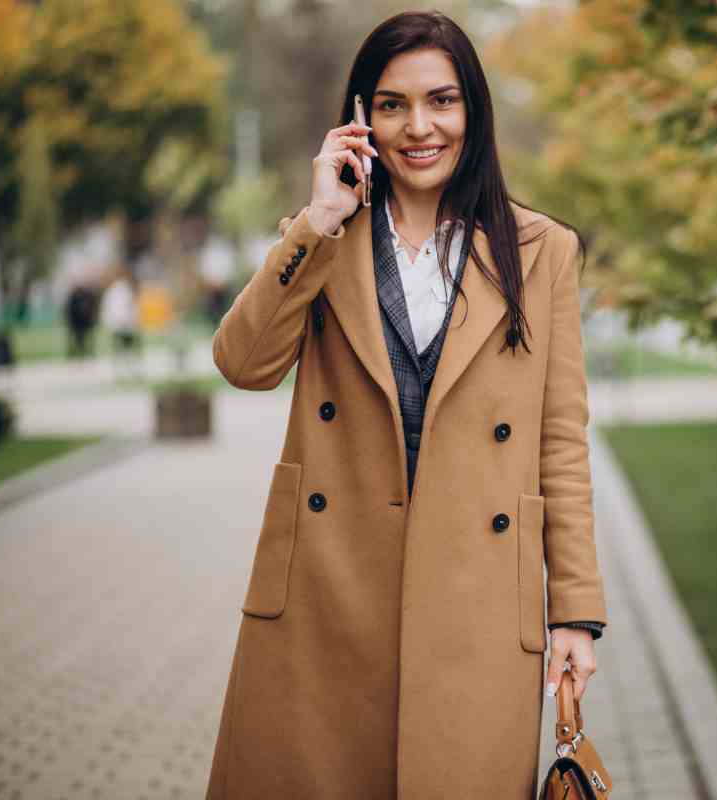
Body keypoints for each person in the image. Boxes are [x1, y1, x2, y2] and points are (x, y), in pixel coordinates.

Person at [205, 11, 608, 799]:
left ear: (473, 111)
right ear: (361, 120)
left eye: (441, 101)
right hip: (328, 593)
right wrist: (320, 218)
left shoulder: (541, 251)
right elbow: (243, 365)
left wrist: (575, 613)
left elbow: (561, 441)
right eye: (392, 105)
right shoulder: (321, 239)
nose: (419, 127)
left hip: (479, 598)